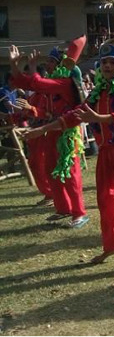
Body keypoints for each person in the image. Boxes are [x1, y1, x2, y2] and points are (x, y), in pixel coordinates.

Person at [22, 41, 114, 267]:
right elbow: (74, 115)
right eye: (103, 62)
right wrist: (41, 129)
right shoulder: (98, 92)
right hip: (106, 152)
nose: (106, 66)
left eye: (111, 62)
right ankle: (112, 246)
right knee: (106, 199)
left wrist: (100, 119)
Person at [9, 40, 88, 228]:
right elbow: (25, 83)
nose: (48, 65)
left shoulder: (65, 82)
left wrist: (33, 66)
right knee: (51, 169)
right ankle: (63, 208)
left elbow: (38, 83)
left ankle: (79, 213)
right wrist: (14, 65)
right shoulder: (54, 84)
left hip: (67, 132)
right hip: (53, 131)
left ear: (61, 64)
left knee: (70, 172)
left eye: (52, 61)